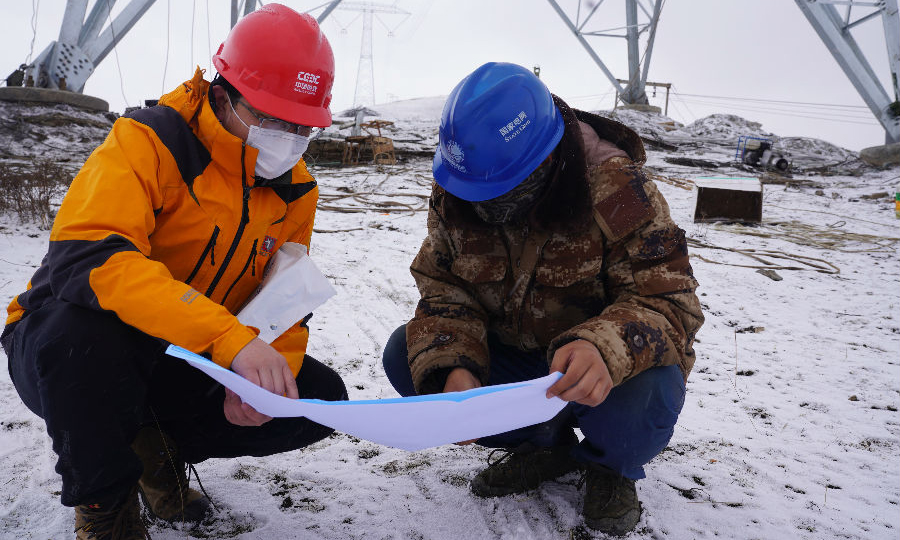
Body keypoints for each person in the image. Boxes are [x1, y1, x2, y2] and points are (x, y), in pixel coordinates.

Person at [1, 5, 346, 539]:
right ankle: (105, 506)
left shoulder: (294, 189)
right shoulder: (148, 141)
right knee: (82, 338)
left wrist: (259, 371)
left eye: (302, 125)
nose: (289, 137)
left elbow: (285, 298)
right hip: (67, 348)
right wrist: (228, 341)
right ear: (224, 92)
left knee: (316, 397)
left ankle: (153, 446)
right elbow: (90, 260)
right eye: (273, 118)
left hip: (180, 355)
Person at [382, 62, 704, 536]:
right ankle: (542, 445)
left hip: (602, 375)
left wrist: (604, 348)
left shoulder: (616, 187)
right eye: (478, 192)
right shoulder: (460, 185)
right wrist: (456, 368)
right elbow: (446, 290)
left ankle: (609, 467)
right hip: (518, 362)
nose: (486, 207)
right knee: (405, 355)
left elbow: (673, 304)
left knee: (650, 390)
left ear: (546, 158)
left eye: (503, 190)